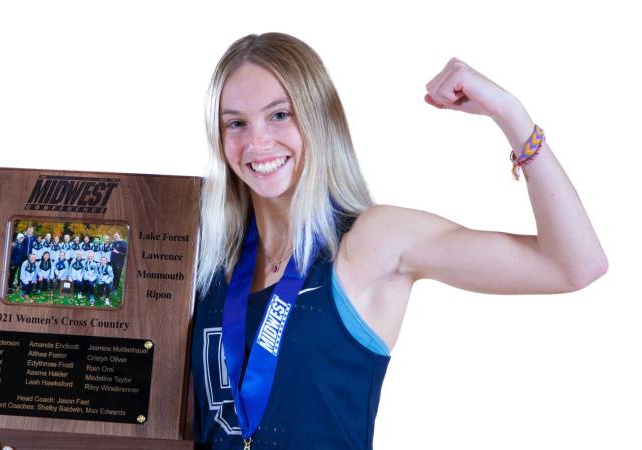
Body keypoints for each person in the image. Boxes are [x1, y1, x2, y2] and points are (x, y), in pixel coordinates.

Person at [188, 32, 607, 450]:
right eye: (236, 123)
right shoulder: (205, 258)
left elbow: (574, 264)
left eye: (280, 115)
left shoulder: (371, 242)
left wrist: (510, 113)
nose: (257, 142)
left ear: (319, 118)